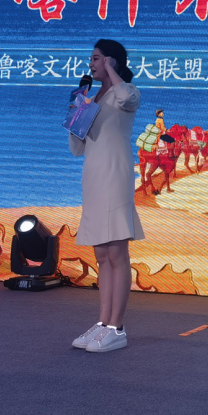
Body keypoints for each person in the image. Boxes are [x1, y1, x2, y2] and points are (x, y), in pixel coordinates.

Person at [67, 39, 145, 353]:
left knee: (116, 254)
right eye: (92, 58)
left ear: (111, 61)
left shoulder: (126, 92)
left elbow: (126, 97)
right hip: (93, 177)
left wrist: (113, 72)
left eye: (97, 58)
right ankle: (102, 323)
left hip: (115, 175)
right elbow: (77, 148)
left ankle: (117, 327)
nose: (91, 64)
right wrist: (75, 114)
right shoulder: (91, 98)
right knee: (101, 255)